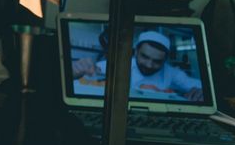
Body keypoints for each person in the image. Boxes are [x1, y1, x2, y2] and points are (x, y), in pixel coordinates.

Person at [73, 30, 204, 102]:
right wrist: (77, 71)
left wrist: (201, 92)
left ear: (165, 60)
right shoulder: (117, 65)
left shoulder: (172, 73)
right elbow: (87, 74)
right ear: (136, 52)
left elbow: (201, 86)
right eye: (145, 57)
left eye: (157, 61)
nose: (149, 65)